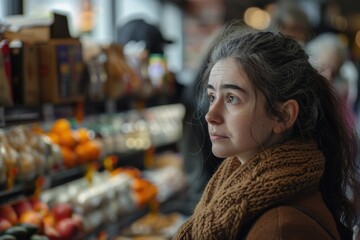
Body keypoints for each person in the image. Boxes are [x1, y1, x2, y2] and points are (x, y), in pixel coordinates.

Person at [173, 20, 359, 240]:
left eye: (232, 99)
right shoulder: (234, 184)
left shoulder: (280, 229)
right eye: (212, 97)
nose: (210, 115)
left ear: (283, 116)